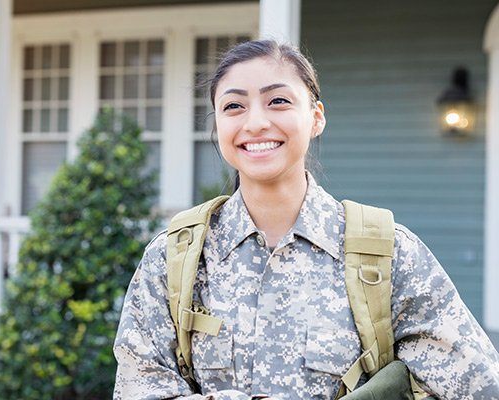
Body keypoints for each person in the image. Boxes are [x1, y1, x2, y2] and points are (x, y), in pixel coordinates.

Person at [113, 40, 499, 399]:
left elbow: (481, 387)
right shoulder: (175, 257)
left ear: (316, 117)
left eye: (278, 101)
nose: (256, 123)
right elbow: (139, 387)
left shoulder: (388, 255)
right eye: (233, 106)